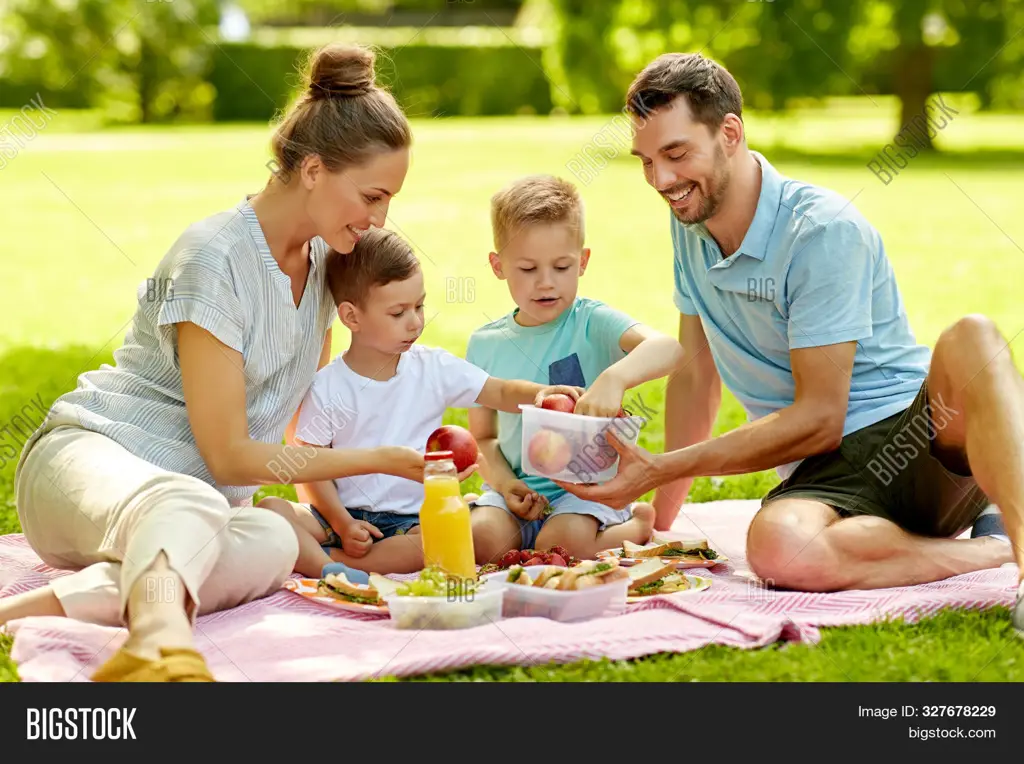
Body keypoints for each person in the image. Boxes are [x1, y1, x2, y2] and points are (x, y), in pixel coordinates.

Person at [555, 52, 1024, 634]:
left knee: (974, 336)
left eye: (676, 154)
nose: (661, 180)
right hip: (824, 481)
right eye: (646, 161)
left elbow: (821, 418)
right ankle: (990, 551)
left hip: (916, 440)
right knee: (777, 548)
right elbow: (697, 376)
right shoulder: (690, 229)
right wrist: (666, 520)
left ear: (730, 133)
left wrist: (658, 467)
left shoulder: (821, 231)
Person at [0, 43, 427, 681]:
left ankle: (26, 611)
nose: (378, 219)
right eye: (371, 195)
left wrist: (333, 512)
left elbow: (290, 432)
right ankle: (160, 645)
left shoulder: (321, 274)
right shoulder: (215, 258)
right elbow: (229, 456)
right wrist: (381, 461)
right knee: (196, 501)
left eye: (388, 200)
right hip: (87, 464)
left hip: (187, 509)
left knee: (275, 539)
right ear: (313, 169)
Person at [260, 227, 580, 576]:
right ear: (352, 317)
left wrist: (539, 394)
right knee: (272, 509)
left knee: (439, 542)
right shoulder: (329, 386)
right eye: (398, 313)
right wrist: (341, 523)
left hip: (411, 521)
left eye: (419, 306)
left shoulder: (432, 367)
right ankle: (330, 562)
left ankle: (332, 563)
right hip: (335, 514)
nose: (415, 322)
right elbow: (312, 468)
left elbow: (498, 391)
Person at [467, 174, 685, 562]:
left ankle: (635, 524)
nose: (546, 283)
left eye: (562, 267)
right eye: (528, 269)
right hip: (519, 490)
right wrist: (505, 485)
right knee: (480, 542)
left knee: (560, 548)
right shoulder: (484, 344)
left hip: (587, 492)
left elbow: (669, 348)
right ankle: (520, 525)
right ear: (498, 266)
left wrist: (614, 378)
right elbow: (482, 438)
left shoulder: (593, 322)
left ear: (582, 262)